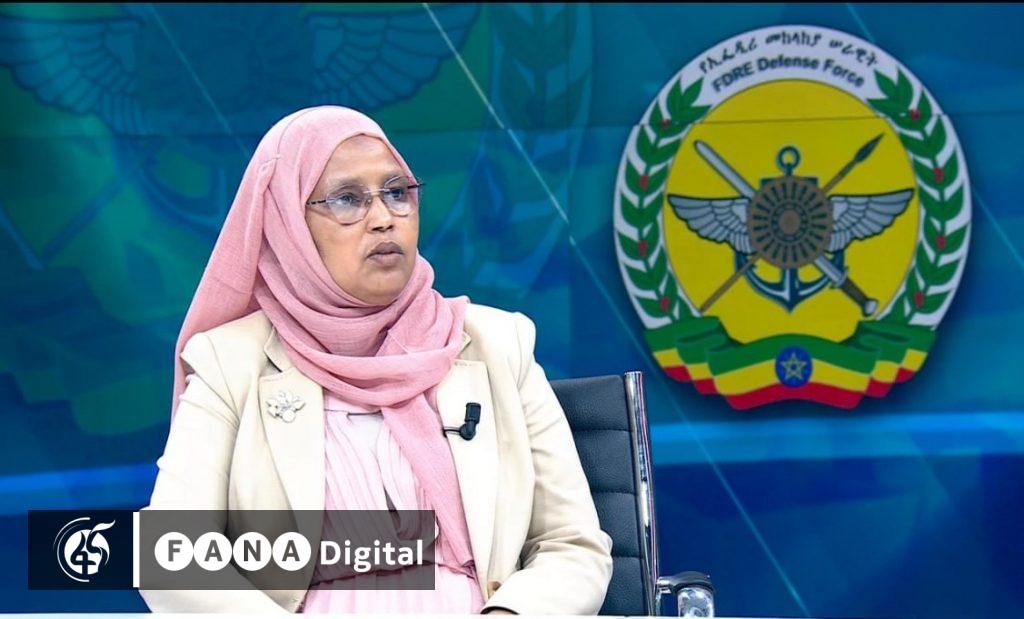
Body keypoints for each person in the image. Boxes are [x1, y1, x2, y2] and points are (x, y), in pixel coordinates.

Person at [139, 106, 613, 614]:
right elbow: (171, 557)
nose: (384, 217)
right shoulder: (231, 363)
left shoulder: (497, 344)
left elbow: (571, 544)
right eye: (347, 199)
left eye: (397, 192)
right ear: (288, 223)